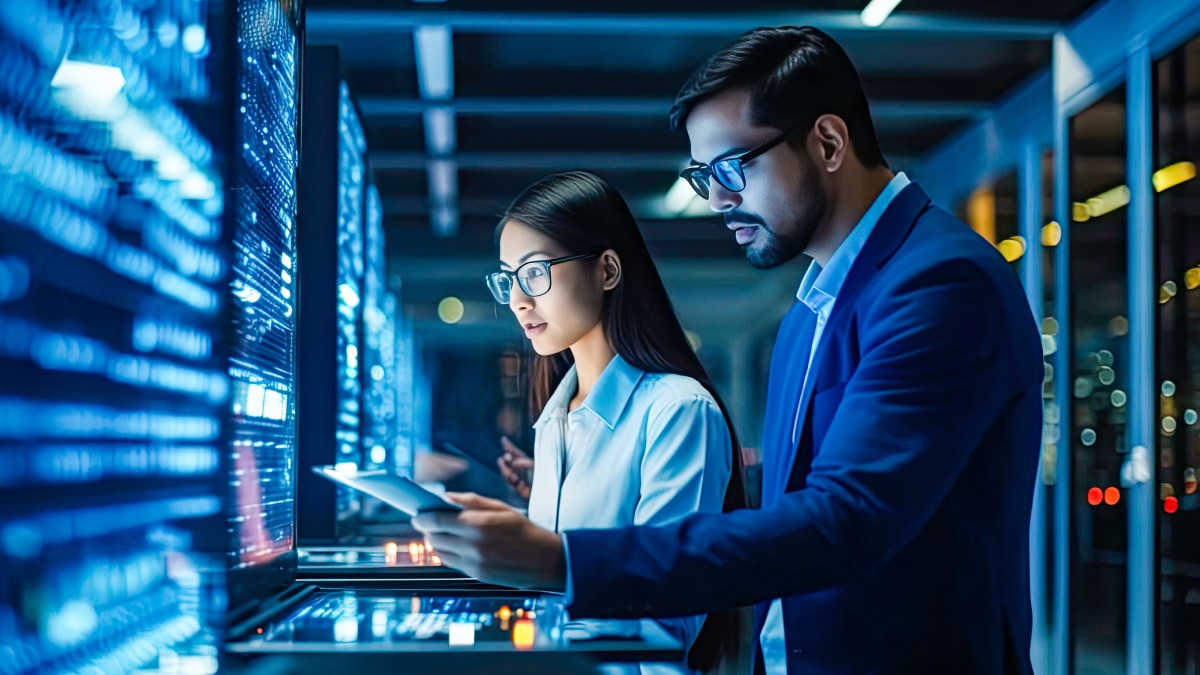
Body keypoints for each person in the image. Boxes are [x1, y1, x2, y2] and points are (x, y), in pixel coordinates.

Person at [415, 26, 1043, 675]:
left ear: (828, 142)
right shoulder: (811, 308)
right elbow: (837, 485)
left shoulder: (940, 282)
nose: (715, 197)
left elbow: (850, 519)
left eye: (731, 167)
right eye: (701, 174)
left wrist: (565, 558)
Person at [482, 171, 748, 673]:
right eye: (508, 278)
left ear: (606, 270)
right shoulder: (556, 420)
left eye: (535, 272)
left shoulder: (677, 411)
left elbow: (665, 621)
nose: (519, 299)